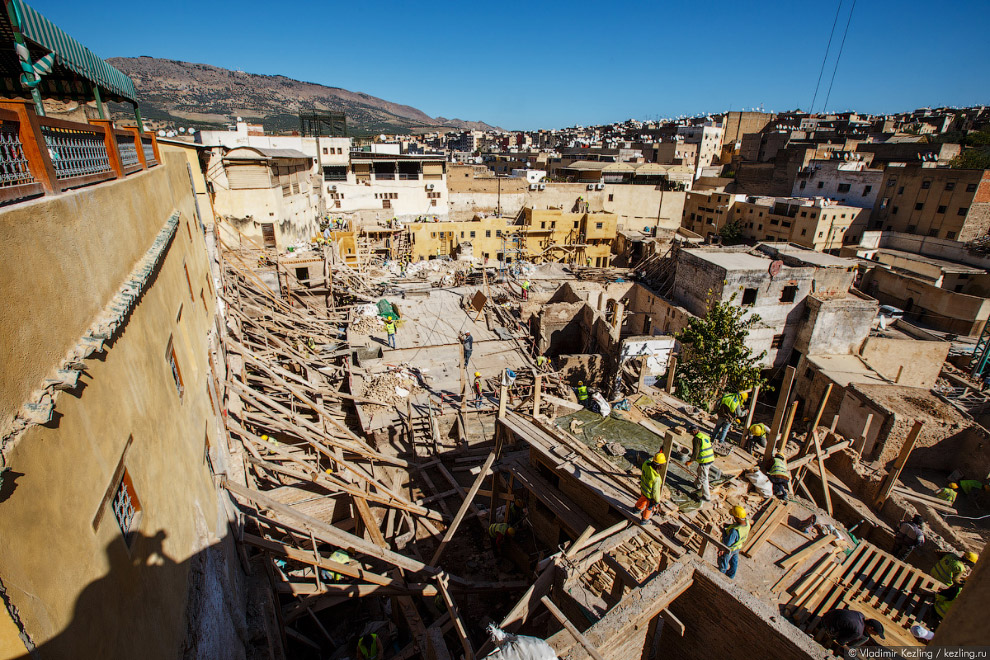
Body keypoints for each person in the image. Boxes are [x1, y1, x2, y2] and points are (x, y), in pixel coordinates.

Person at [820, 609, 885, 649]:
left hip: (827, 615)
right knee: (865, 638)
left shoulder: (860, 615)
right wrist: (848, 649)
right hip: (826, 625)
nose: (874, 635)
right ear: (871, 628)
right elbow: (840, 641)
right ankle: (844, 651)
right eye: (875, 633)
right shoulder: (858, 632)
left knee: (864, 636)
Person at [718, 505, 749, 579]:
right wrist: (729, 526)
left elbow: (727, 543)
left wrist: (724, 531)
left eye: (734, 516)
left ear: (737, 518)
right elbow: (738, 525)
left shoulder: (734, 531)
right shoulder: (747, 523)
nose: (733, 518)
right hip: (738, 547)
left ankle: (721, 575)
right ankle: (731, 575)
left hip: (730, 549)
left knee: (723, 561)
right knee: (734, 562)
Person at [635, 452, 667, 523]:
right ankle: (644, 520)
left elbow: (650, 459)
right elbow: (656, 492)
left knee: (642, 499)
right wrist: (657, 501)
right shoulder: (656, 478)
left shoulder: (646, 464)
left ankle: (636, 509)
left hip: (643, 489)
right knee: (649, 508)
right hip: (650, 495)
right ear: (660, 466)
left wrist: (659, 454)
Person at [685, 425, 715, 501]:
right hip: (710, 458)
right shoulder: (704, 436)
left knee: (704, 478)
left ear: (694, 431)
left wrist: (690, 461)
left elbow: (696, 452)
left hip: (705, 460)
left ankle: (706, 496)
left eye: (691, 432)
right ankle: (697, 485)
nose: (691, 434)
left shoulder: (696, 439)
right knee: (699, 471)